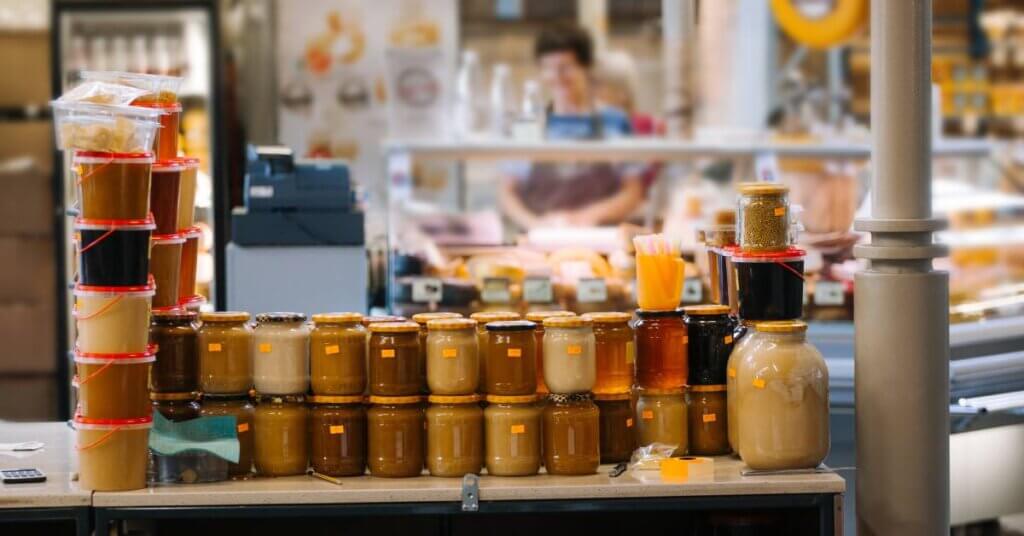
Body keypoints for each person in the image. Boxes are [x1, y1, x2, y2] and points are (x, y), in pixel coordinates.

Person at [499, 23, 647, 230]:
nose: (556, 77)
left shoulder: (614, 121)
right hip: (539, 240)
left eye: (565, 67)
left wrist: (585, 217)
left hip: (599, 239)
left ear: (586, 68)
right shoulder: (528, 124)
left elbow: (633, 192)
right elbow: (507, 192)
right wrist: (536, 225)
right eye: (548, 68)